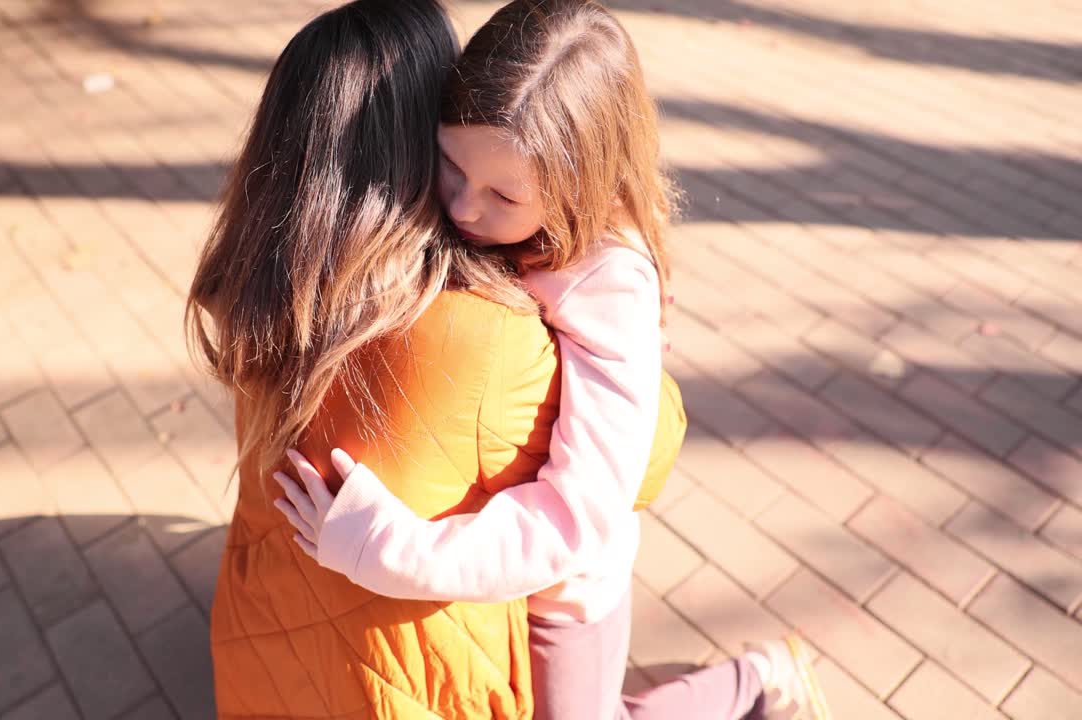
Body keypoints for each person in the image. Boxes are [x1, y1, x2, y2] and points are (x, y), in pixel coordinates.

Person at [273, 2, 831, 719]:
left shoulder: (611, 284)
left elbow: (577, 517)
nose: (465, 209)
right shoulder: (497, 209)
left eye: (505, 194)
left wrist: (387, 547)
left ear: (578, 189)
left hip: (563, 596)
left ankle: (758, 679)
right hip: (488, 565)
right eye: (450, 166)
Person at [186, 0, 569, 716]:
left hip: (258, 652)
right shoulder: (487, 334)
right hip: (404, 686)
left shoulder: (252, 278)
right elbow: (638, 461)